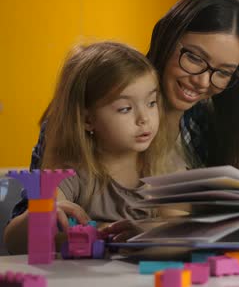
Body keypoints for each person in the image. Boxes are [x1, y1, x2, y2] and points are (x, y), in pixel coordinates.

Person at [8, 0, 239, 240]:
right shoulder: (89, 109)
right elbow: (32, 229)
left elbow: (185, 231)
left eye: (223, 72)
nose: (204, 82)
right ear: (168, 37)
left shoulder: (201, 131)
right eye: (195, 58)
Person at [4, 42, 170, 254]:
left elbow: (183, 232)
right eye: (125, 108)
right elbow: (15, 244)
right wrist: (40, 215)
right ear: (87, 120)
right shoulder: (71, 172)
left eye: (151, 102)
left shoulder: (161, 167)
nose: (144, 119)